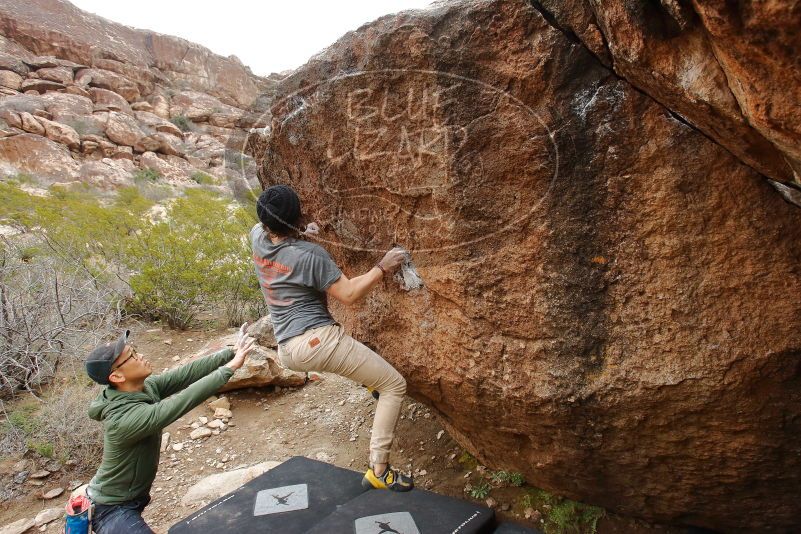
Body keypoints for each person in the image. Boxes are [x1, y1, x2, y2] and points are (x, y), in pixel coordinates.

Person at [251, 184, 413, 492]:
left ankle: (368, 381)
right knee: (394, 385)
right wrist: (382, 266)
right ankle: (380, 470)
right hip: (317, 341)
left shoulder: (256, 238)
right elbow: (350, 294)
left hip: (287, 345)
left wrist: (302, 232)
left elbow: (287, 251)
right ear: (295, 217)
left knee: (355, 355)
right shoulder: (311, 255)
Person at [84, 328, 255, 533]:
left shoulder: (143, 388)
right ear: (117, 377)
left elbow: (184, 374)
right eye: (133, 356)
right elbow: (182, 401)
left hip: (131, 498)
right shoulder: (123, 420)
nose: (141, 356)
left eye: (135, 351)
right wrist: (230, 367)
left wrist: (229, 352)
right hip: (110, 509)